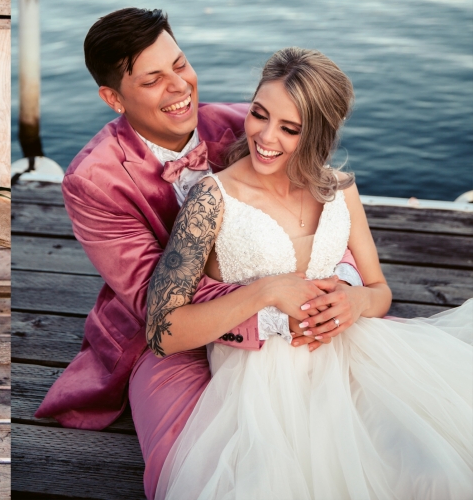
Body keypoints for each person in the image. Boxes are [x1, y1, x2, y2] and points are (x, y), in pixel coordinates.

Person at [35, 8, 363, 499]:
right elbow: (154, 303)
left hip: (297, 311)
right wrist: (272, 301)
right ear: (113, 98)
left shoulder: (248, 124)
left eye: (180, 64)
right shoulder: (92, 180)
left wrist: (341, 282)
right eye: (153, 79)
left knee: (351, 440)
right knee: (204, 467)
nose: (179, 86)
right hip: (166, 338)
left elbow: (318, 210)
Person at [154, 47, 472, 500]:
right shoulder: (212, 200)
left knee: (432, 469)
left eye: (290, 128)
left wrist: (355, 301)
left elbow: (380, 291)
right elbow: (162, 332)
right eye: (259, 114)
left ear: (320, 133)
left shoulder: (339, 188)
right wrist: (264, 291)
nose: (265, 136)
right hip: (262, 380)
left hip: (357, 353)